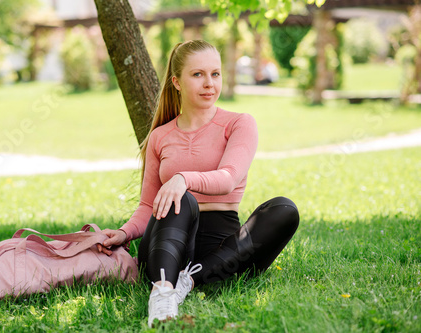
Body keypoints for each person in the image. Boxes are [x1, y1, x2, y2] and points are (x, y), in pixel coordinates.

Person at [97, 40, 299, 327]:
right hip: (166, 249)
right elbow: (147, 205)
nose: (209, 84)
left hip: (223, 252)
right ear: (177, 82)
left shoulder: (239, 123)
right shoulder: (160, 136)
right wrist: (124, 233)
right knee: (183, 200)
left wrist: (182, 178)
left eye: (215, 74)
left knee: (284, 209)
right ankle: (163, 291)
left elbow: (229, 178)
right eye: (198, 75)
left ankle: (189, 280)